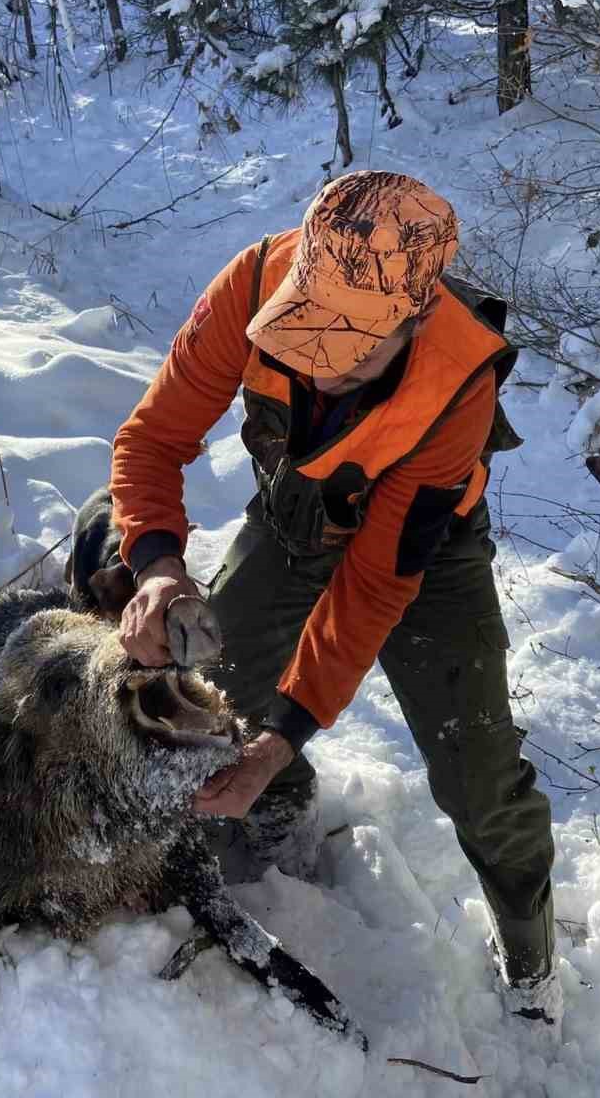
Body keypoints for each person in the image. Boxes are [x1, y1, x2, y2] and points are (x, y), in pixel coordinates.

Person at [107, 170, 560, 1027]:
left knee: (480, 781)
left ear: (415, 316)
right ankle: (277, 817)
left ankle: (530, 954)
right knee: (209, 697)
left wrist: (283, 735)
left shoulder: (458, 380)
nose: (316, 363)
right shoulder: (250, 285)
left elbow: (374, 585)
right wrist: (159, 563)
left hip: (426, 550)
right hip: (293, 513)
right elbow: (154, 438)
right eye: (301, 335)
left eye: (346, 347)